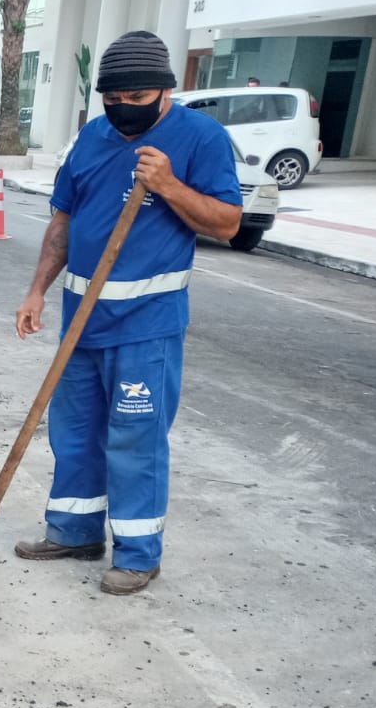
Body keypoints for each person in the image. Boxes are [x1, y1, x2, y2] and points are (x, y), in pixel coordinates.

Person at [14, 30, 241, 595]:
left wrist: (166, 185)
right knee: (75, 434)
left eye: (138, 100)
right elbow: (63, 221)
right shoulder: (91, 138)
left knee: (135, 441)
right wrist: (37, 290)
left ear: (166, 91)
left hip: (147, 326)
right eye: (114, 100)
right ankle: (73, 531)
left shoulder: (200, 138)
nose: (124, 110)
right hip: (80, 322)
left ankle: (138, 554)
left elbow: (226, 223)